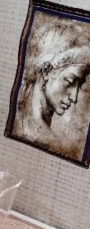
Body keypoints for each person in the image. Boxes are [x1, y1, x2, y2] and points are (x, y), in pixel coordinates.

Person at [12, 21, 90, 158]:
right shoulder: (48, 140)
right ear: (47, 71)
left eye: (80, 85)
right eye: (70, 82)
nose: (74, 97)